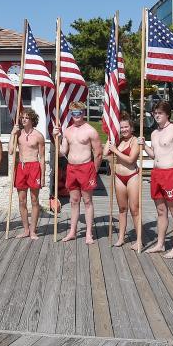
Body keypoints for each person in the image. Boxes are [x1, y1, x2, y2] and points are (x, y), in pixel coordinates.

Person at [139, 101, 173, 258]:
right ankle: (160, 244)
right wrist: (144, 146)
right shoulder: (154, 133)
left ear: (167, 114)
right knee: (160, 211)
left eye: (160, 113)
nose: (157, 115)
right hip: (157, 174)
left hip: (171, 174)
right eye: (155, 113)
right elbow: (155, 154)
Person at [58, 102, 103, 244]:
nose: (76, 116)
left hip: (86, 168)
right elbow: (62, 152)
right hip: (72, 168)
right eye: (73, 113)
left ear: (83, 113)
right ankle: (72, 231)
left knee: (88, 201)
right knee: (73, 201)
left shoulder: (90, 130)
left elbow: (98, 153)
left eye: (78, 113)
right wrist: (56, 137)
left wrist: (93, 171)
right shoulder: (68, 131)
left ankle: (89, 233)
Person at [104, 114, 141, 250]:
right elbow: (104, 152)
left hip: (132, 176)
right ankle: (121, 237)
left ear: (131, 128)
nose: (124, 130)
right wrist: (110, 136)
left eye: (126, 127)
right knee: (122, 209)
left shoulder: (135, 141)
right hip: (118, 176)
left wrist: (116, 151)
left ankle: (139, 240)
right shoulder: (117, 140)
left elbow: (131, 159)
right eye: (121, 128)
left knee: (134, 209)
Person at [10, 108, 46, 240]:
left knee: (34, 200)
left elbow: (42, 158)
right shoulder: (17, 133)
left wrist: (42, 177)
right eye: (22, 118)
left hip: (34, 166)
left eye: (26, 118)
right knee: (21, 200)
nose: (23, 120)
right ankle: (26, 229)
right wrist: (12, 134)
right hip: (21, 166)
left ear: (32, 120)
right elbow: (10, 151)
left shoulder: (38, 136)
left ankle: (33, 230)